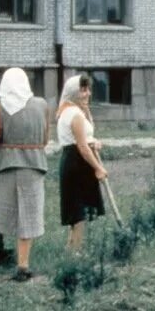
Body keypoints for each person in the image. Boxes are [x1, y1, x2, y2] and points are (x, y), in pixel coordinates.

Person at [0, 68, 49, 282]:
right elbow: (45, 138)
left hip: (5, 163)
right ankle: (23, 265)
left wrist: (6, 147)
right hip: (33, 164)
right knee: (28, 212)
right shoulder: (41, 105)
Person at [56, 73, 107, 251]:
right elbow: (82, 147)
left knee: (78, 212)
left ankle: (70, 250)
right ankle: (75, 255)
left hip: (75, 161)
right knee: (79, 215)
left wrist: (94, 141)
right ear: (73, 92)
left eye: (88, 90)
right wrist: (98, 168)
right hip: (76, 164)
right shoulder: (74, 115)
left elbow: (85, 138)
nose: (87, 93)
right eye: (82, 90)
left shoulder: (72, 111)